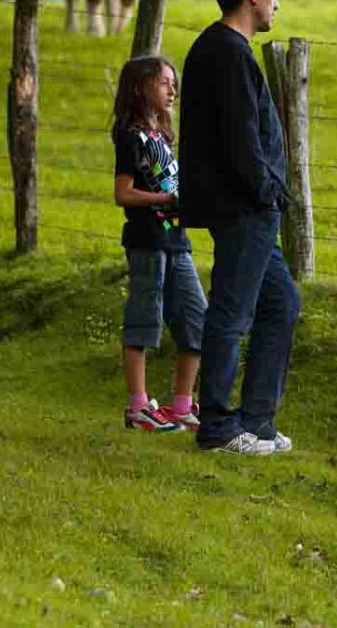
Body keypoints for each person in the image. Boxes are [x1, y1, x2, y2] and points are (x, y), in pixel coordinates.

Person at [179, 0, 299, 456]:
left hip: (248, 205)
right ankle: (219, 429)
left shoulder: (222, 48)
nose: (276, 2)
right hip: (244, 206)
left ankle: (257, 422)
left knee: (281, 303)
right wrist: (267, 189)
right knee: (231, 311)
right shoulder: (227, 53)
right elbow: (240, 138)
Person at [111, 55, 207, 433]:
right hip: (147, 242)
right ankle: (138, 407)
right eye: (165, 82)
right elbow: (123, 193)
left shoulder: (162, 137)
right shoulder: (130, 135)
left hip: (176, 242)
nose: (173, 90)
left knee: (196, 320)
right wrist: (165, 201)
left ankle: (181, 406)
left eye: (173, 83)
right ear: (142, 87)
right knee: (143, 320)